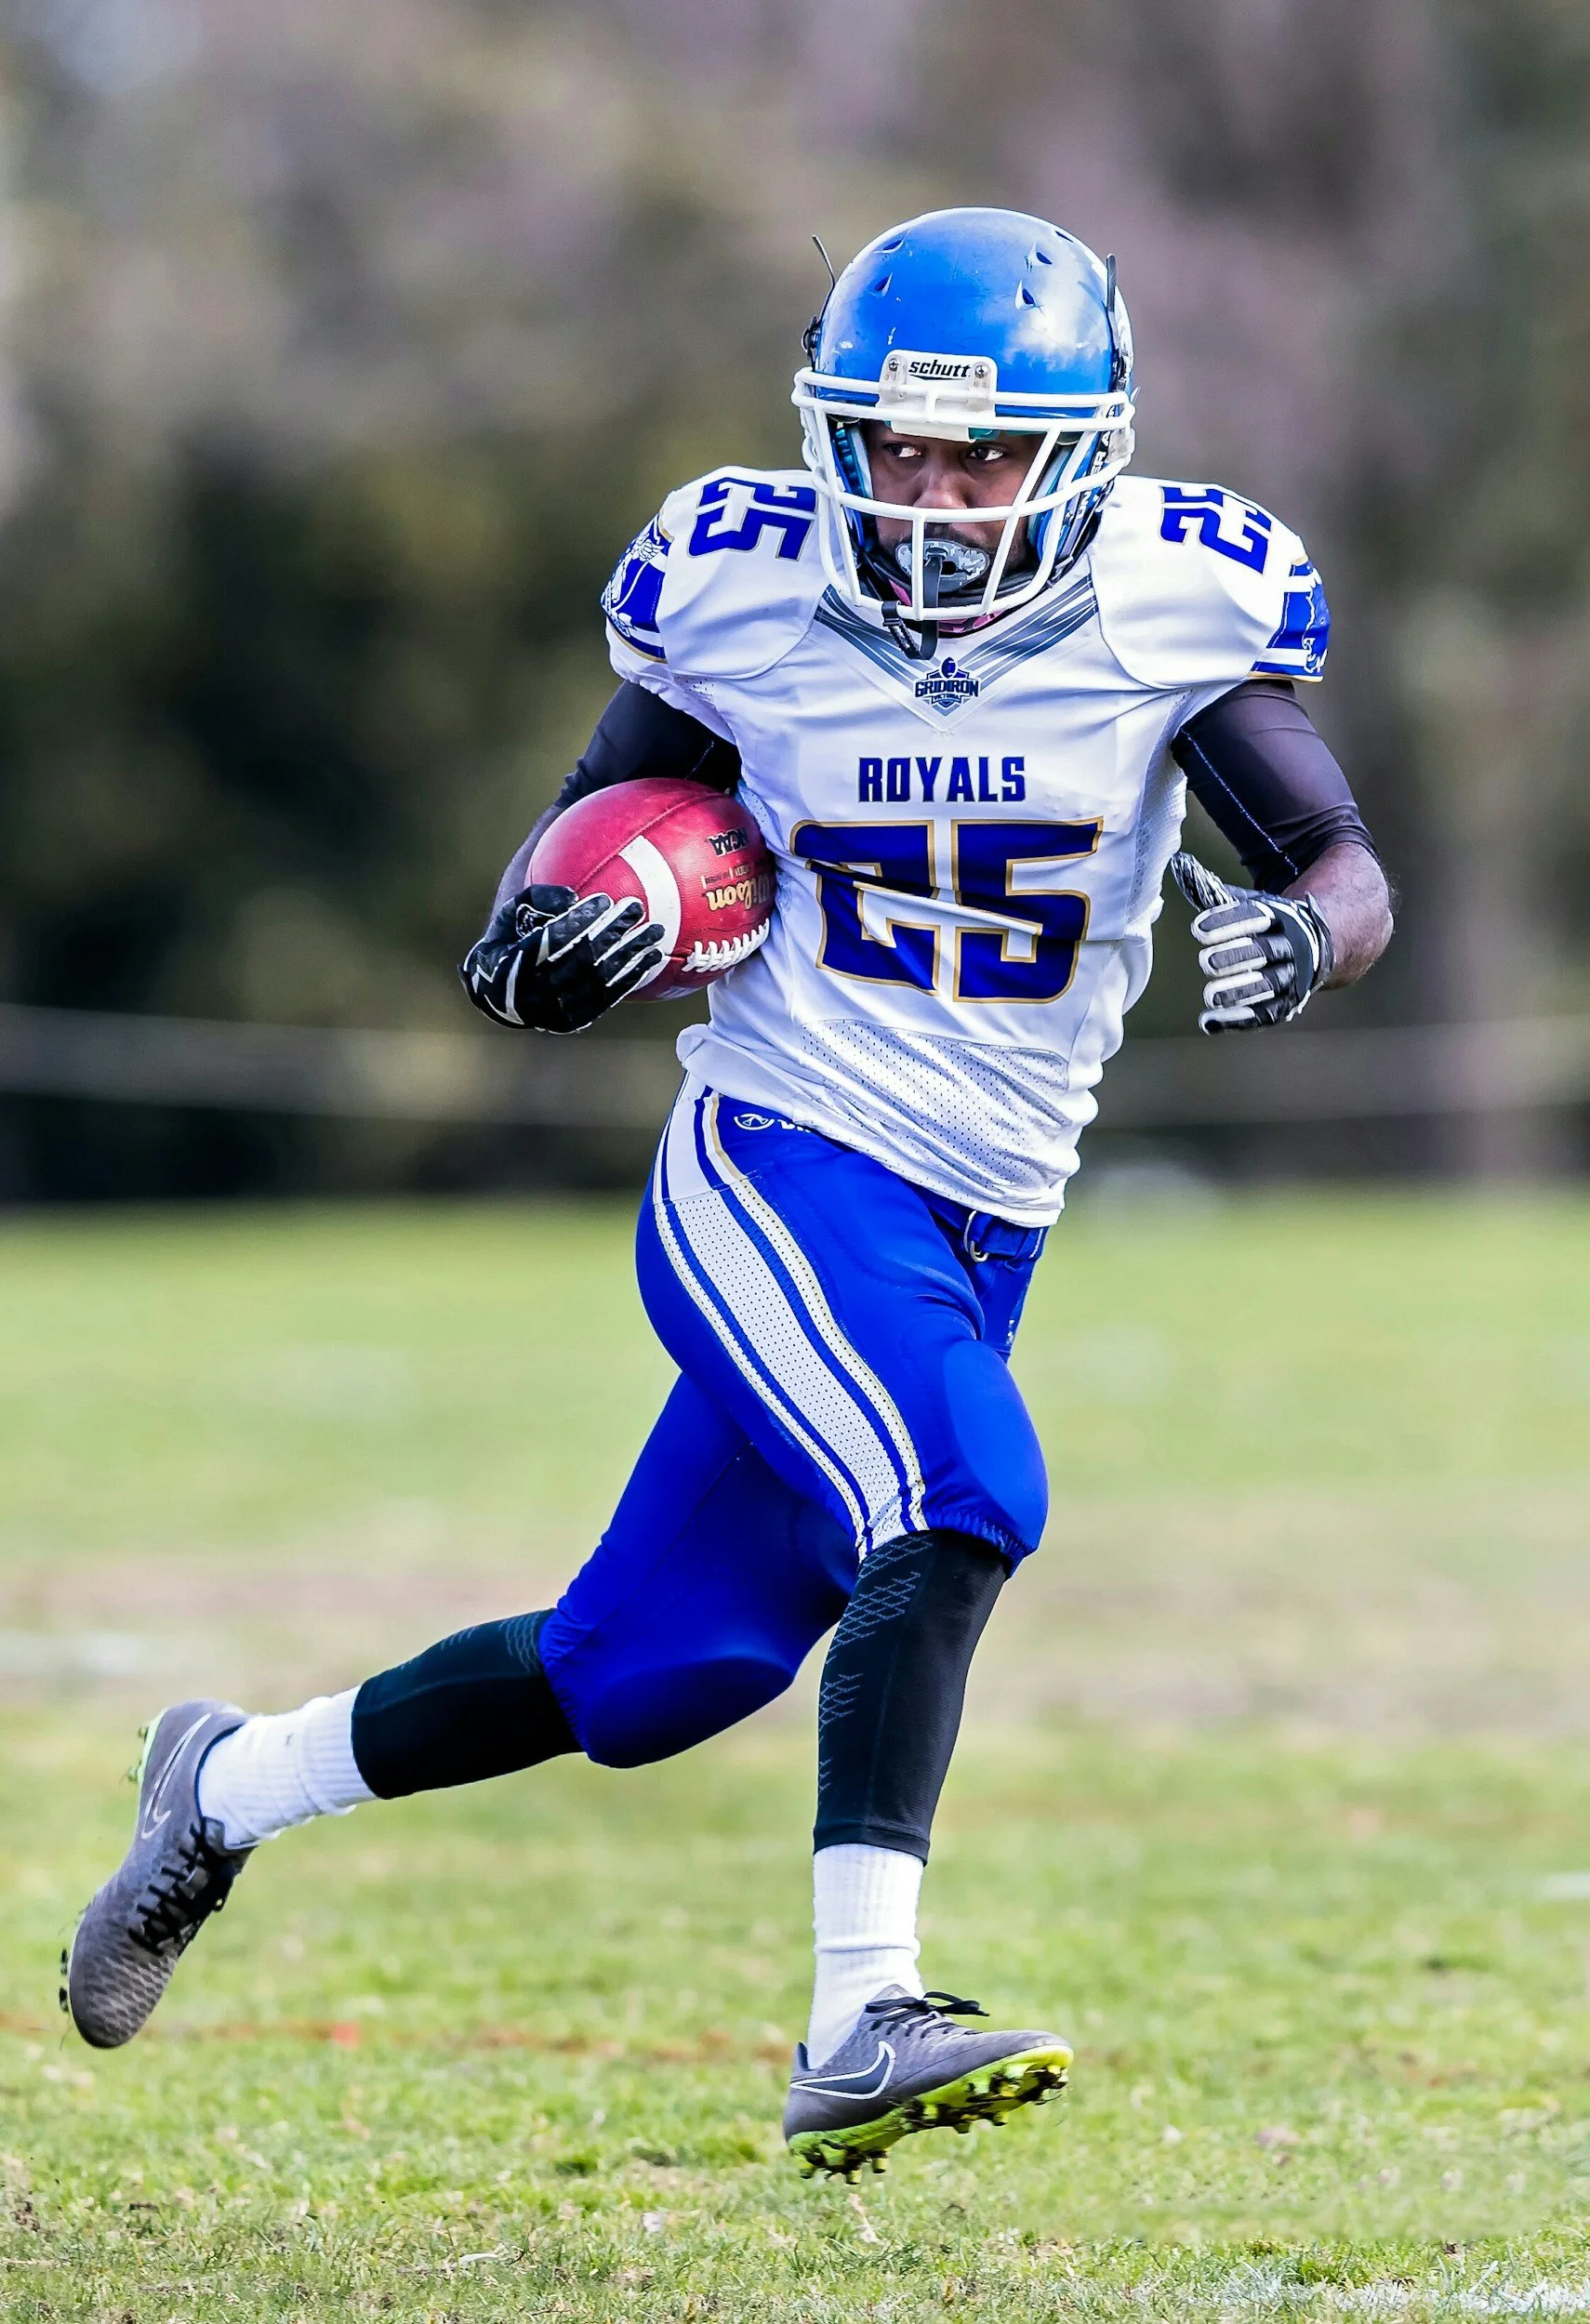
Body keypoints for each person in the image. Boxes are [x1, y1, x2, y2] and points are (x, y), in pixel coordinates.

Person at [62, 207, 1393, 2179]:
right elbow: (578, 836)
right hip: (774, 1152)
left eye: (983, 457)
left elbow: (1343, 860)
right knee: (959, 1491)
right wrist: (539, 946)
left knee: (651, 1670)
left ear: (1081, 455)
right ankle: (864, 2011)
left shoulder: (1176, 607)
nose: (934, 501)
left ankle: (227, 1783)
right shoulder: (741, 594)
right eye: (899, 450)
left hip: (984, 1208)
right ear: (831, 436)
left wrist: (1304, 938)